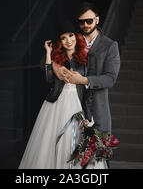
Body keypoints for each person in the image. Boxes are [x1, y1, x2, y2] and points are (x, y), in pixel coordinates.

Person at [18, 20, 108, 169]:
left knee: (79, 142)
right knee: (50, 143)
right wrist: (48, 54)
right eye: (63, 38)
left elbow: (88, 90)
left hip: (77, 104)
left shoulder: (85, 59)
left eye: (71, 35)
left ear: (76, 36)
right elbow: (49, 80)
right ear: (59, 41)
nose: (68, 40)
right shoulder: (57, 59)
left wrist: (89, 116)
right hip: (56, 104)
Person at [52, 2, 120, 135]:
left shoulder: (110, 45)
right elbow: (47, 56)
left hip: (97, 111)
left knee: (95, 153)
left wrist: (83, 80)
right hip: (68, 108)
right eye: (82, 22)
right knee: (65, 153)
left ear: (97, 20)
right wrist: (55, 65)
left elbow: (110, 79)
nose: (86, 25)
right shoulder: (71, 38)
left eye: (89, 21)